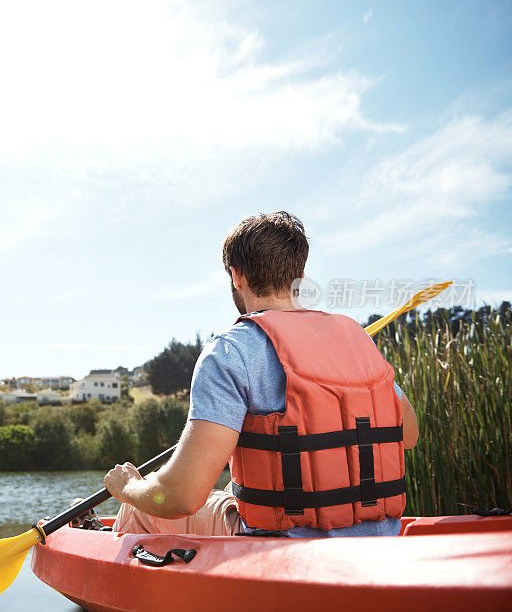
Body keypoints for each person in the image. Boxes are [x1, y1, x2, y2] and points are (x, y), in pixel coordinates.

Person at [104, 211, 419, 537]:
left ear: (236, 275)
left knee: (137, 507)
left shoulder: (230, 351)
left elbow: (181, 496)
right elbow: (409, 435)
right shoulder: (357, 342)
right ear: (298, 274)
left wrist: (128, 487)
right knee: (232, 491)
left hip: (277, 549)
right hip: (380, 538)